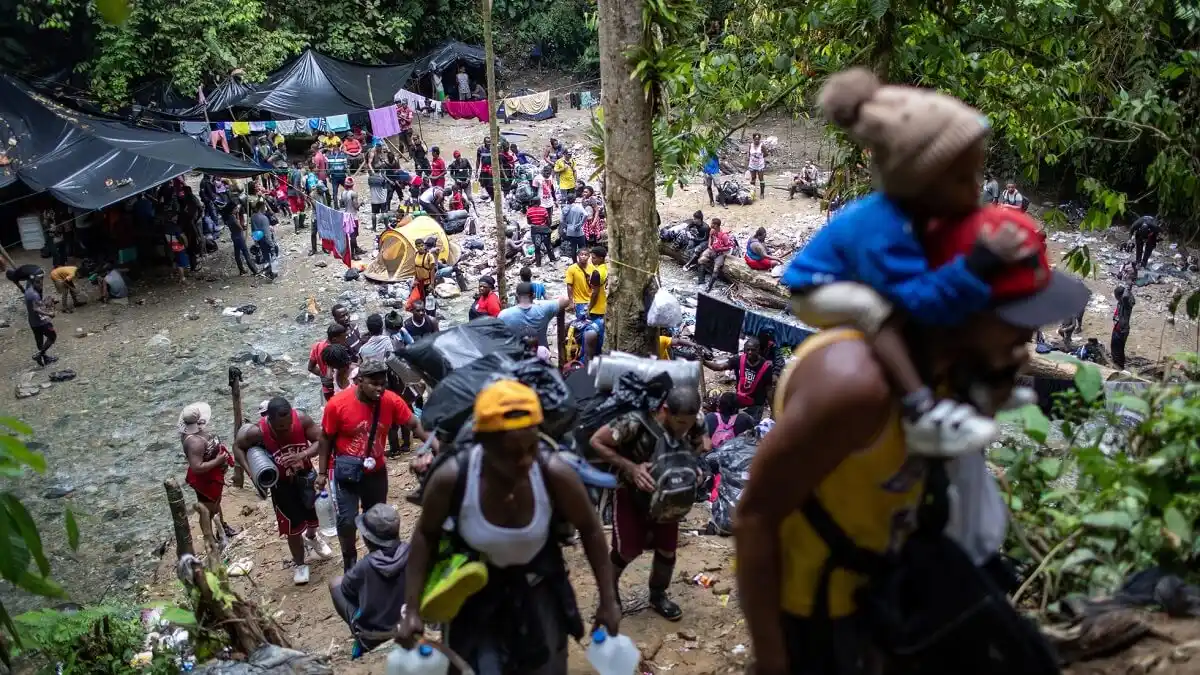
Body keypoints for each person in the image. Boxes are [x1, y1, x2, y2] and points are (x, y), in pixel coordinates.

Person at [733, 204, 1089, 675]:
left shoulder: (948, 372)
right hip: (815, 613)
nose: (1028, 340)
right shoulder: (854, 386)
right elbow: (755, 518)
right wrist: (774, 661)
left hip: (883, 591)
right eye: (1016, 318)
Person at [781, 67, 1046, 457]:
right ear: (918, 181)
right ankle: (919, 407)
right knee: (880, 311)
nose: (975, 190)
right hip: (819, 287)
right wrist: (975, 265)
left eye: (976, 175)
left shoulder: (920, 218)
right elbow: (917, 298)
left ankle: (978, 381)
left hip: (871, 277)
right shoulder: (884, 228)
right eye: (960, 180)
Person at [398, 381, 621, 673]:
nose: (524, 460)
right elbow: (425, 535)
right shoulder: (453, 478)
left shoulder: (554, 473)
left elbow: (591, 529)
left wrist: (608, 600)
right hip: (474, 594)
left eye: (531, 447)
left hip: (538, 589)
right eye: (512, 453)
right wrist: (411, 609)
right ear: (483, 444)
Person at [590, 386, 709, 621]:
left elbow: (703, 443)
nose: (684, 428)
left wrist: (691, 465)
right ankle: (609, 593)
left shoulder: (696, 420)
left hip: (668, 495)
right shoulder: (635, 423)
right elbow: (596, 441)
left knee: (667, 550)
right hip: (632, 494)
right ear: (665, 410)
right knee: (626, 550)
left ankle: (658, 595)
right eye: (679, 422)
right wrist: (631, 468)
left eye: (689, 423)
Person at [316, 359, 431, 571]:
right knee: (347, 520)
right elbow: (325, 438)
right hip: (346, 472)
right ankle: (349, 559)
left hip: (375, 470)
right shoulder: (337, 404)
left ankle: (377, 559)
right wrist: (322, 473)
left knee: (375, 517)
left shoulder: (391, 401)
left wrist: (434, 444)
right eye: (374, 383)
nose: (380, 388)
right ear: (359, 381)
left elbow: (413, 424)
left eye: (383, 383)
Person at [233, 397, 333, 585]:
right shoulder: (257, 432)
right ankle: (300, 564)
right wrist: (252, 474)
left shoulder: (302, 419)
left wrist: (302, 455)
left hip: (306, 476)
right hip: (282, 485)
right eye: (280, 427)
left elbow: (322, 440)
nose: (286, 429)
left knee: (314, 514)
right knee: (292, 528)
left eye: (288, 425)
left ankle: (312, 537)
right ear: (269, 420)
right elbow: (237, 447)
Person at [329, 503, 410, 652]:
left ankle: (358, 629)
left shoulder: (364, 566)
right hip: (408, 622)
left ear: (367, 540)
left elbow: (347, 590)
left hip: (375, 636)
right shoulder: (412, 552)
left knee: (335, 584)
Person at [180, 402, 237, 540]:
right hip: (205, 480)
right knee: (206, 509)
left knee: (215, 503)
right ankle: (209, 538)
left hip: (212, 475)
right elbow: (197, 467)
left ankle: (221, 527)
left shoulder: (196, 433)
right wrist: (217, 461)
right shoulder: (194, 442)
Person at [703, 336, 775, 419]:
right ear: (744, 349)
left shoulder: (766, 367)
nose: (750, 352)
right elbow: (718, 367)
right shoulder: (738, 359)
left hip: (756, 405)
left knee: (752, 427)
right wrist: (703, 361)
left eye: (753, 350)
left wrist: (773, 410)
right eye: (748, 349)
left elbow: (769, 389)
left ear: (758, 349)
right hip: (739, 401)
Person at [499, 282, 571, 353]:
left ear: (516, 296)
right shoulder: (544, 308)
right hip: (541, 354)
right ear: (533, 296)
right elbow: (566, 299)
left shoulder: (504, 314)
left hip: (516, 357)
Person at [310, 323, 349, 402]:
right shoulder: (335, 353)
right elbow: (331, 374)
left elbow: (310, 367)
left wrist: (322, 375)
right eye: (343, 338)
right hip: (339, 388)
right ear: (334, 339)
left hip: (327, 389)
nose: (345, 340)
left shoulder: (317, 346)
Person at [23, 272, 56, 366]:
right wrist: (49, 314)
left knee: (39, 341)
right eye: (39, 283)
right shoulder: (34, 295)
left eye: (41, 283)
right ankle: (40, 354)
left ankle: (45, 358)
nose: (41, 286)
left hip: (32, 322)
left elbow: (36, 305)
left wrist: (46, 302)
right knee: (52, 336)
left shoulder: (28, 291)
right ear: (34, 283)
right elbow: (36, 309)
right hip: (41, 322)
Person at [692, 218, 734, 291]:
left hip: (721, 253)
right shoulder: (712, 231)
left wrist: (720, 249)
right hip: (712, 250)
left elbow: (729, 247)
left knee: (716, 269)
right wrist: (709, 245)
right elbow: (710, 238)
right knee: (701, 260)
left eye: (712, 224)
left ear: (716, 225)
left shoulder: (724, 236)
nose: (711, 225)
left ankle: (709, 286)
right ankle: (701, 281)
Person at [587, 246, 609, 349]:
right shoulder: (605, 268)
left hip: (597, 308)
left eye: (594, 257)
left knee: (595, 335)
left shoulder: (596, 273)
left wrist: (589, 308)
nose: (592, 259)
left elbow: (595, 293)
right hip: (604, 305)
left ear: (601, 258)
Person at [250, 200, 276, 279]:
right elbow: (266, 233)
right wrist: (271, 244)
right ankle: (272, 272)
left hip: (259, 239)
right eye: (264, 207)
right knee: (273, 255)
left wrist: (256, 241)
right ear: (262, 208)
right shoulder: (264, 218)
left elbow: (253, 230)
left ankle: (267, 271)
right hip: (266, 239)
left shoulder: (253, 217)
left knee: (265, 256)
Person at [1112, 284, 1135, 371]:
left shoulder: (1126, 304)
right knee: (1117, 350)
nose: (1115, 298)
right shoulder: (1121, 302)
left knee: (1118, 351)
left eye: (1116, 296)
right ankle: (1118, 366)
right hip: (1118, 328)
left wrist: (1128, 286)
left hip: (1121, 330)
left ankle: (1119, 368)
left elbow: (1125, 296)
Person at [559, 196, 588, 261]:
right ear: (574, 200)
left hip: (570, 230)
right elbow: (586, 215)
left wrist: (566, 225)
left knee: (573, 247)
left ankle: (574, 263)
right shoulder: (578, 207)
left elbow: (561, 220)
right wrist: (580, 224)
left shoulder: (564, 208)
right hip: (578, 230)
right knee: (582, 247)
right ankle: (583, 261)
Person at [526, 201, 555, 267]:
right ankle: (552, 259)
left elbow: (528, 222)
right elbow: (548, 221)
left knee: (537, 247)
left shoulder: (529, 211)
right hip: (544, 230)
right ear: (539, 202)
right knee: (548, 245)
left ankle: (538, 264)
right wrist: (545, 226)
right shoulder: (543, 210)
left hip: (535, 231)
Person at [367, 166, 389, 232]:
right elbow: (385, 188)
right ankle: (387, 228)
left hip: (374, 199)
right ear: (379, 171)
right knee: (384, 213)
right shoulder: (382, 179)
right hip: (382, 199)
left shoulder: (370, 179)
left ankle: (374, 228)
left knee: (374, 214)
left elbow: (370, 185)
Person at [747, 132, 767, 199]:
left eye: (758, 139)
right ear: (753, 139)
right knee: (753, 178)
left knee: (761, 179)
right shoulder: (751, 145)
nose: (757, 140)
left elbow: (766, 154)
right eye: (755, 139)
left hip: (760, 165)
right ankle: (752, 192)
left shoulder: (762, 146)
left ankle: (762, 193)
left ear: (760, 139)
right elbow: (749, 154)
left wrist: (760, 157)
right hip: (752, 164)